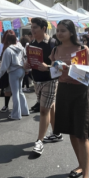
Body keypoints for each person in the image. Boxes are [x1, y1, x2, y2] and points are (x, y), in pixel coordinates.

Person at [49, 20, 89, 178]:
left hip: (80, 92)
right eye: (58, 30)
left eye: (63, 31)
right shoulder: (55, 49)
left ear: (71, 32)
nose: (59, 33)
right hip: (63, 91)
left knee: (82, 134)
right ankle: (81, 165)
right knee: (72, 133)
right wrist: (48, 67)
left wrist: (74, 68)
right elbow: (54, 72)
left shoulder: (82, 49)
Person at [27, 17, 61, 156]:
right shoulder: (31, 44)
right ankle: (57, 132)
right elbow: (29, 61)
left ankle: (39, 142)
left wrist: (47, 67)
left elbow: (60, 66)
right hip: (37, 80)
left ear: (43, 28)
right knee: (50, 106)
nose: (32, 30)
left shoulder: (53, 43)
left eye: (35, 27)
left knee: (43, 110)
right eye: (32, 27)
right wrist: (27, 65)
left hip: (50, 80)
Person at [0, 30, 30, 120]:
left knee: (15, 93)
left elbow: (4, 67)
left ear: (8, 40)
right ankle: (24, 110)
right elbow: (25, 58)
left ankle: (16, 114)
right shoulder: (21, 47)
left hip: (13, 72)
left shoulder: (8, 50)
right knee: (20, 92)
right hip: (22, 70)